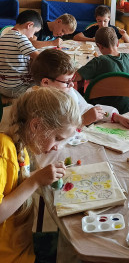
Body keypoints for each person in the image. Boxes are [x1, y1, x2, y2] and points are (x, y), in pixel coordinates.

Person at [0, 87, 81, 262]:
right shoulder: (3, 150)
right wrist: (35, 180)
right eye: (57, 138)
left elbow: (12, 186)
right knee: (75, 251)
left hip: (21, 246)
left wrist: (39, 176)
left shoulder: (20, 146)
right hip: (9, 257)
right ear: (36, 125)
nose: (57, 147)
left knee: (72, 246)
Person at [28, 48, 129, 129]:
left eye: (72, 80)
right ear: (46, 82)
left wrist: (115, 117)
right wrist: (81, 121)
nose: (72, 85)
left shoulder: (67, 91)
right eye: (67, 82)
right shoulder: (35, 103)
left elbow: (85, 108)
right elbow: (50, 135)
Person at [74, 27, 129, 115]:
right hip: (126, 109)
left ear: (99, 46)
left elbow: (74, 77)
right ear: (118, 43)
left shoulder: (98, 62)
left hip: (101, 109)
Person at [0, 10, 42, 98]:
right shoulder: (21, 38)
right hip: (15, 88)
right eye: (34, 32)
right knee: (46, 86)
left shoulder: (4, 37)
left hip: (3, 85)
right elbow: (39, 58)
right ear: (29, 25)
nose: (32, 36)